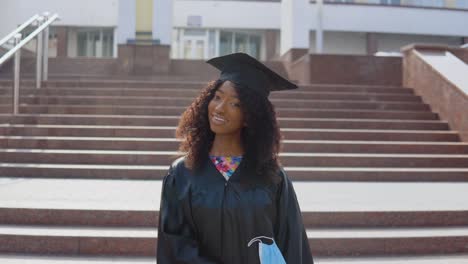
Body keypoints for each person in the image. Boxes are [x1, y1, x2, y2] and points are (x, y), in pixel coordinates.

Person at [157, 53, 314, 264]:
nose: (220, 108)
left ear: (251, 116)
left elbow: (292, 246)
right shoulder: (182, 173)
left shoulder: (272, 178)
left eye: (235, 104)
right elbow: (174, 245)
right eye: (218, 97)